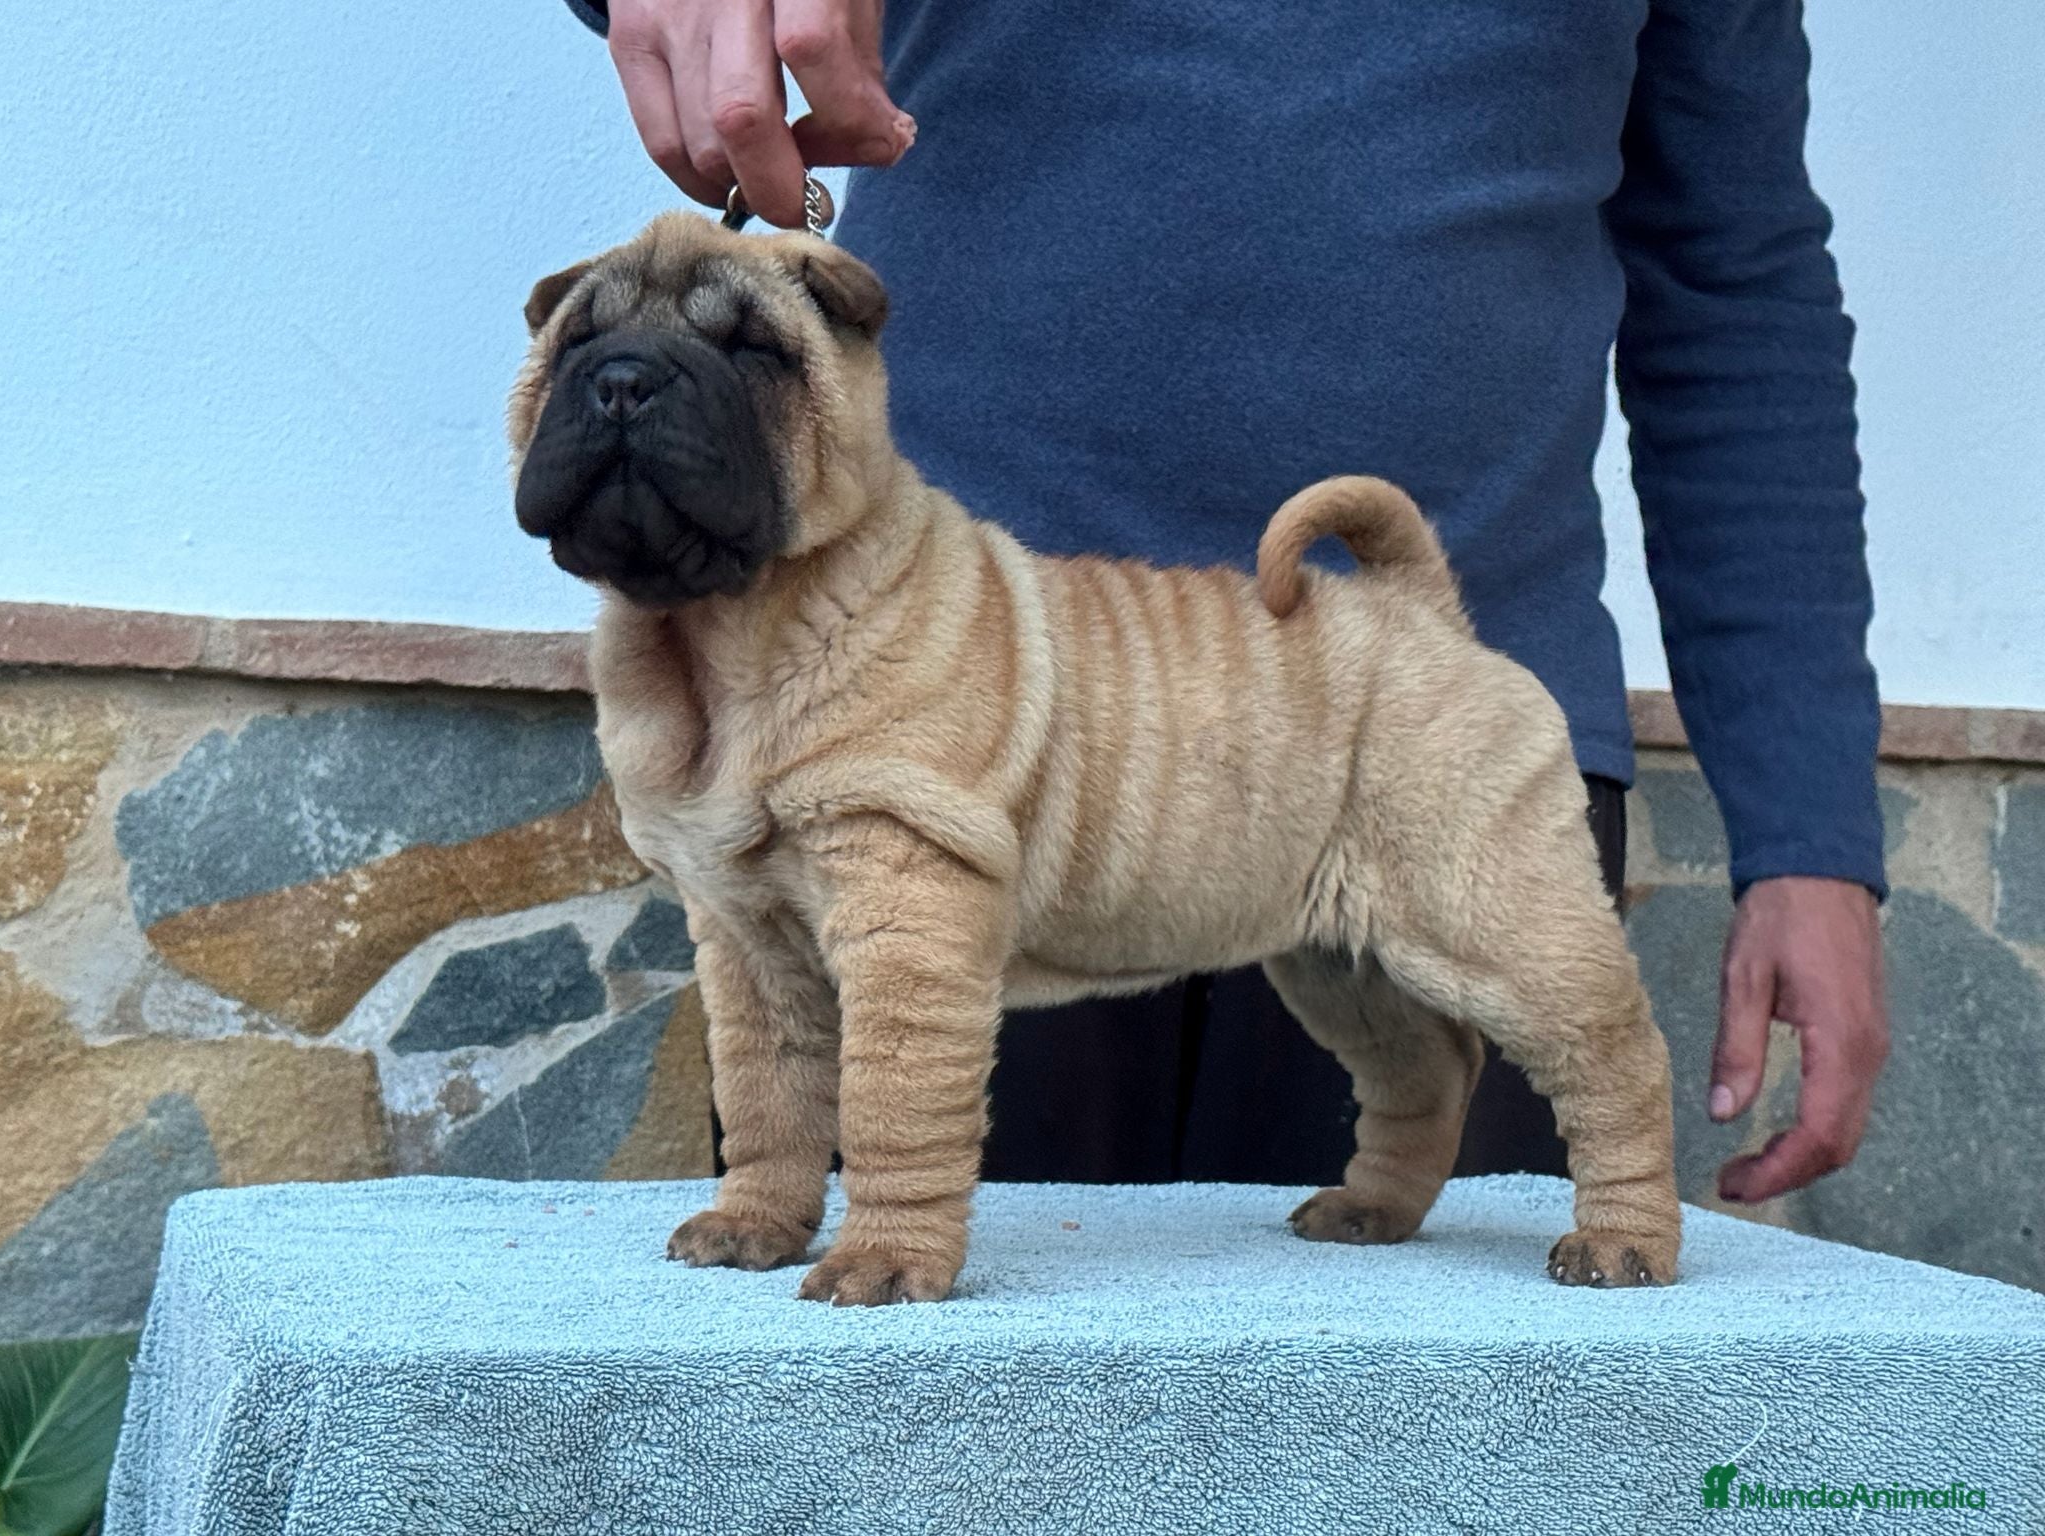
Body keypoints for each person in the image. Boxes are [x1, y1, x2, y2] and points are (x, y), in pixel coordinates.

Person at [562, 0, 1890, 1205]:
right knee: (895, 1429)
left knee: (1420, 1441)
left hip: (1407, 717)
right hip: (923, 705)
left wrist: (1809, 827)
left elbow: (1734, 283)